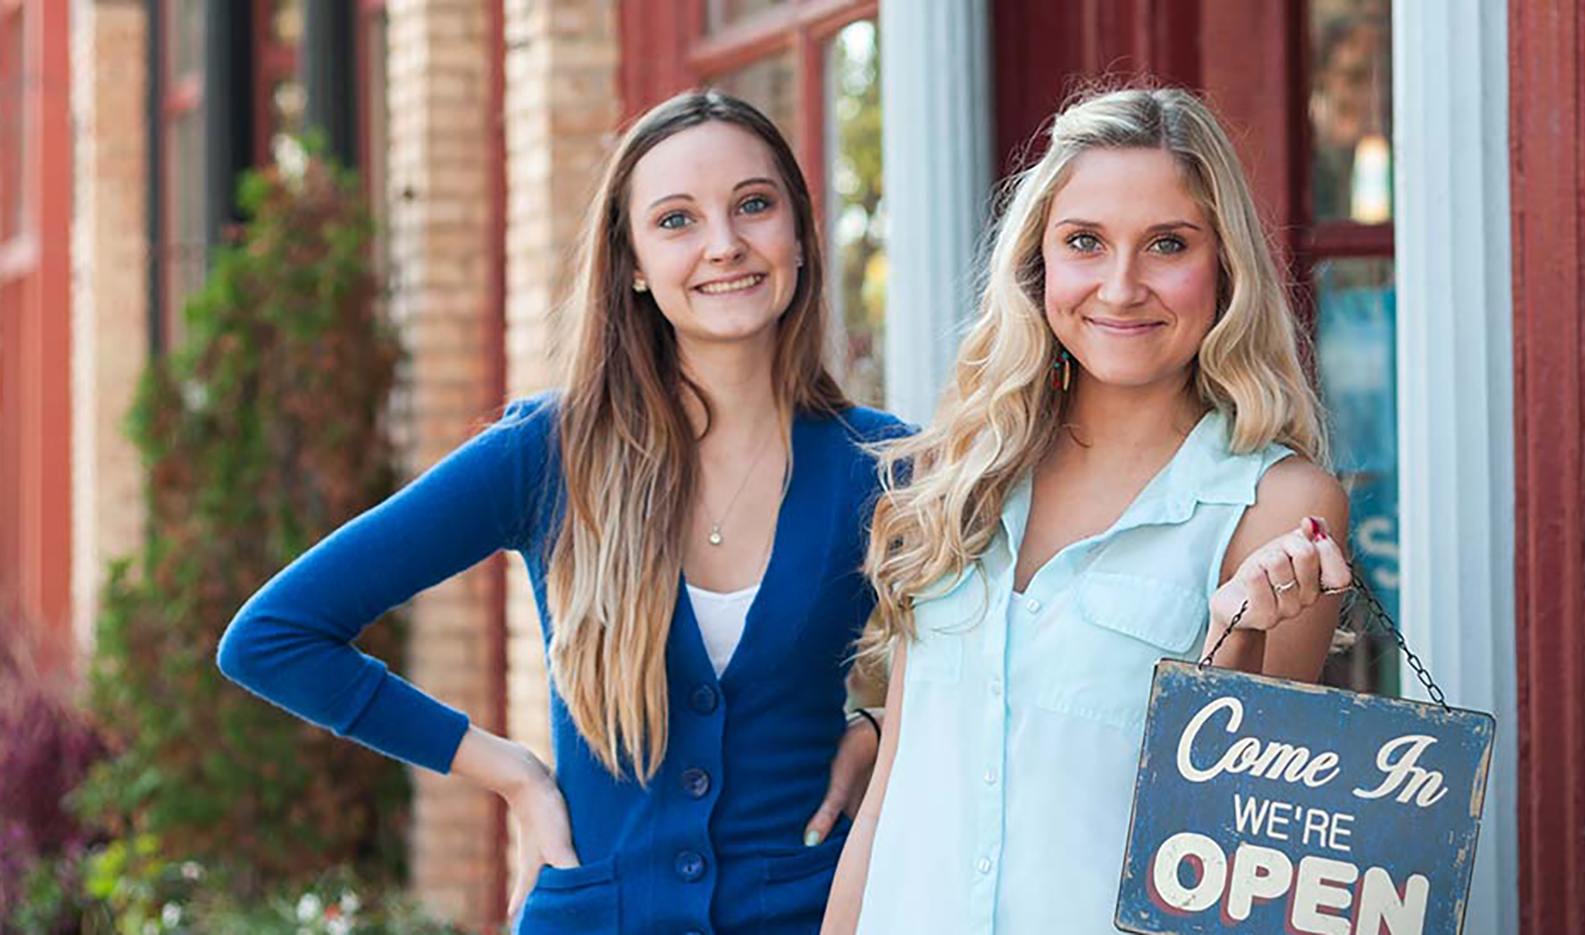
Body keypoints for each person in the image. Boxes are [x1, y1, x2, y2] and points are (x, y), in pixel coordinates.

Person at [218, 90, 903, 934]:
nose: (725, 244)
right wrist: (508, 771)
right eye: (677, 220)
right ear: (633, 266)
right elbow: (273, 635)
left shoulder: (884, 466)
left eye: (753, 205)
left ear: (800, 231)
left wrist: (879, 730)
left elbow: (1000, 655)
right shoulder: (550, 453)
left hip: (811, 910)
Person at [822, 87, 1354, 935]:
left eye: (1167, 245)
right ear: (1039, 263)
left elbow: (1240, 855)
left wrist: (1237, 633)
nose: (1120, 285)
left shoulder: (1277, 507)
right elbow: (890, 800)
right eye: (1084, 242)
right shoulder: (968, 472)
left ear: (1223, 265)